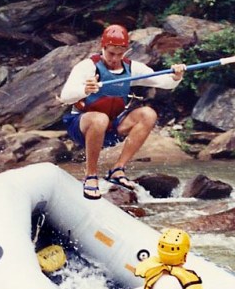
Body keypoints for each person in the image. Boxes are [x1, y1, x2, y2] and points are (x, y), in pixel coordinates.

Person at [59, 24, 187, 200]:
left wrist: (176, 76)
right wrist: (85, 90)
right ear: (103, 47)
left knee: (148, 114)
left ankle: (118, 170)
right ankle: (91, 176)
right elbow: (65, 97)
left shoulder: (132, 68)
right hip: (82, 127)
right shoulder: (87, 67)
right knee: (100, 119)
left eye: (120, 54)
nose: (115, 58)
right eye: (111, 53)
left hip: (111, 127)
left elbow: (163, 82)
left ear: (126, 50)